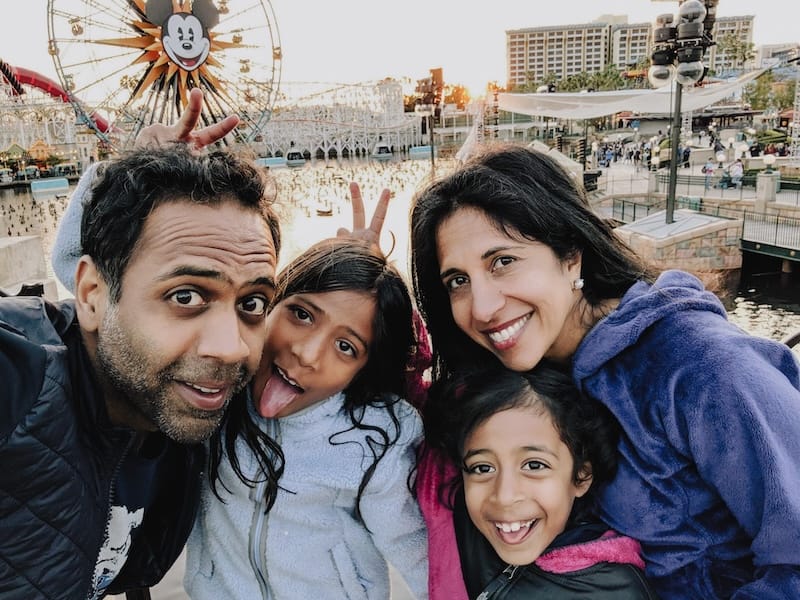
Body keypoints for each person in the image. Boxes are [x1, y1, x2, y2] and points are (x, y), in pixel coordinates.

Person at [409, 143, 800, 598]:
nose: (482, 307)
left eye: (503, 262)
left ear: (571, 257)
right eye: (458, 281)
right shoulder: (523, 372)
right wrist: (367, 291)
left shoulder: (699, 367)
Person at [0, 144, 281, 599]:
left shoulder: (192, 400)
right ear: (91, 294)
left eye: (252, 304)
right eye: (186, 297)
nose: (231, 349)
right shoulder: (19, 379)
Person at [184, 237, 428, 599]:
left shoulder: (374, 439)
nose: (308, 353)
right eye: (302, 314)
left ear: (362, 371)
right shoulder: (214, 391)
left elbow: (418, 555)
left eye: (346, 347)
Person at [430, 365, 656, 599]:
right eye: (482, 468)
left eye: (534, 465)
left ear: (580, 476)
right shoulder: (462, 524)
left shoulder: (618, 593)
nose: (505, 496)